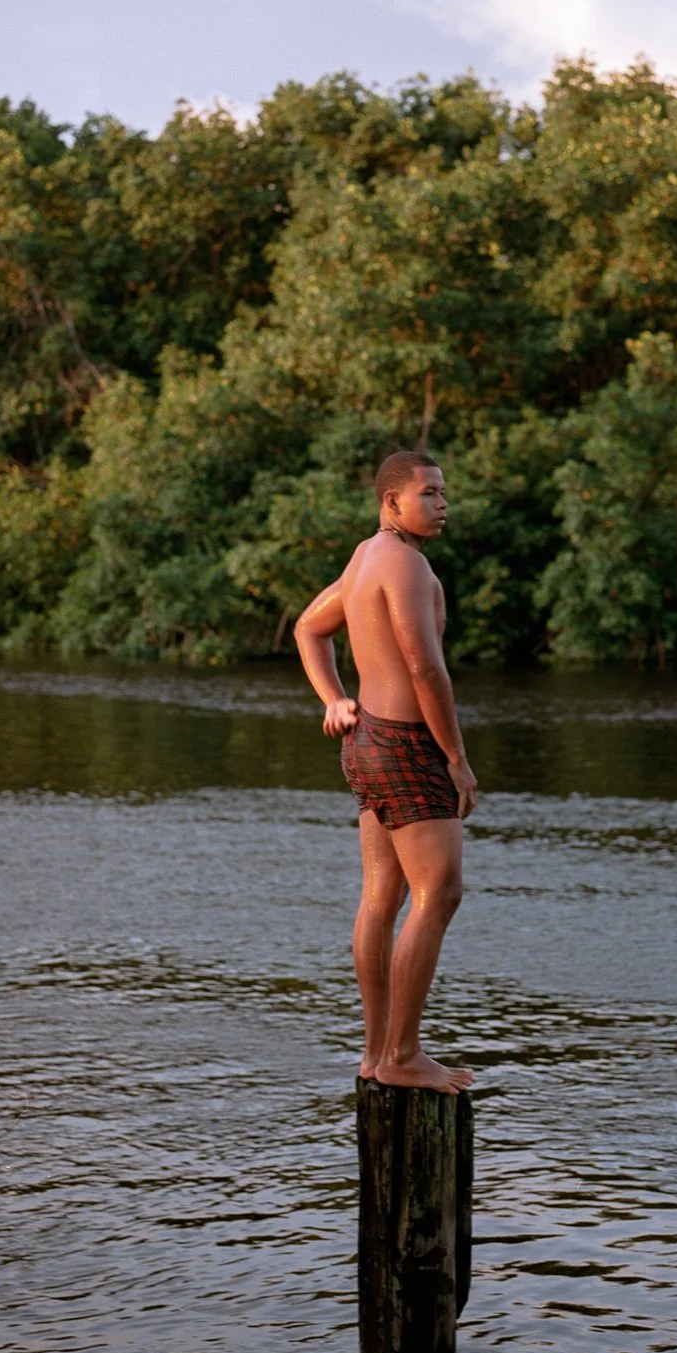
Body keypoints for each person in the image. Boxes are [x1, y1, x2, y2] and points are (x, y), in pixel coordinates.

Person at [294, 450, 477, 1094]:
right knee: (440, 893)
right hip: (404, 746)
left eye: (443, 492)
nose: (441, 502)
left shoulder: (365, 557)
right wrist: (455, 760)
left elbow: (309, 629)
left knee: (383, 898)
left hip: (367, 741)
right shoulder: (404, 565)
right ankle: (401, 1053)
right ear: (391, 502)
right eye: (428, 492)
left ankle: (379, 1055)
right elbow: (426, 668)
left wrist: (336, 700)